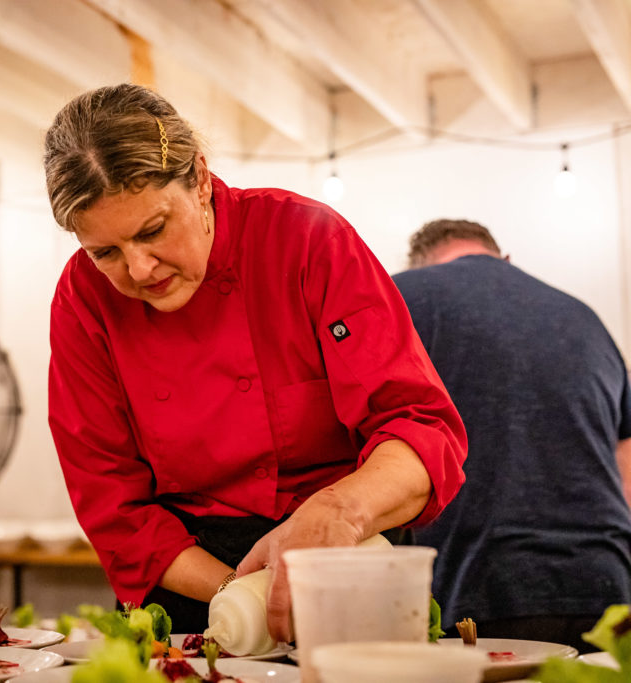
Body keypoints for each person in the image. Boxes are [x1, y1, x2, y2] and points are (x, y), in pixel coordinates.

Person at [43, 83, 467, 641]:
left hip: (347, 556)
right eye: (106, 253)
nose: (140, 269)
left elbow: (421, 431)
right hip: (192, 586)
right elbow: (111, 504)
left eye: (153, 231)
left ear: (197, 180)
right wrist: (240, 597)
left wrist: (343, 509)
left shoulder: (306, 241)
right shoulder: (83, 302)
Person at [393, 219, 631, 651]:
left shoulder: (404, 295)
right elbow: (626, 466)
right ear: (504, 259)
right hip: (607, 588)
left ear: (420, 264)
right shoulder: (584, 315)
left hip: (477, 592)